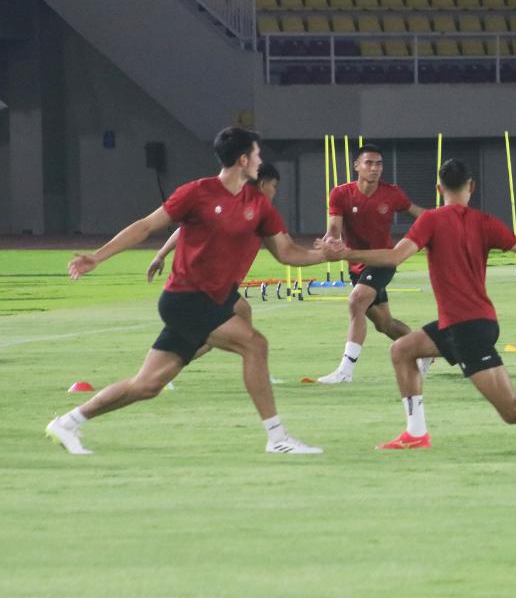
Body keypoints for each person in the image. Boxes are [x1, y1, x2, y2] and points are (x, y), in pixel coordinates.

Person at [49, 127, 327, 455]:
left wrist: (326, 255)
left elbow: (287, 253)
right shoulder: (197, 192)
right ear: (243, 159)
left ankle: (68, 422)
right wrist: (97, 256)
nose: (260, 159)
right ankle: (277, 438)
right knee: (255, 346)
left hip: (213, 300)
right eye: (256, 154)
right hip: (186, 298)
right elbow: (146, 226)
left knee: (147, 385)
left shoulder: (258, 204)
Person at [322, 159, 516, 450]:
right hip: (471, 322)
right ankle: (416, 433)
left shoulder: (431, 220)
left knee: (512, 410)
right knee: (402, 349)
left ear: (439, 188)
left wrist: (346, 254)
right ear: (471, 187)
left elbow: (393, 257)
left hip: (466, 329)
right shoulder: (485, 222)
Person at [146, 162, 281, 372]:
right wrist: (161, 254)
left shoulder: (254, 207)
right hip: (203, 288)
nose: (275, 192)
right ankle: (163, 369)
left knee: (242, 314)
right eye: (274, 186)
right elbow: (184, 229)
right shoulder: (229, 203)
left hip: (219, 287)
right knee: (210, 338)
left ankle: (161, 369)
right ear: (263, 183)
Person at [317, 144, 426, 384]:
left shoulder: (392, 193)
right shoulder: (340, 193)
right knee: (384, 324)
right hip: (356, 263)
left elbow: (420, 214)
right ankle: (424, 349)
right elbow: (334, 227)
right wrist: (331, 241)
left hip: (382, 260)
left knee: (356, 301)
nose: (375, 168)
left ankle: (345, 371)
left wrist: (441, 224)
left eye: (379, 164)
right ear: (357, 166)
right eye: (369, 163)